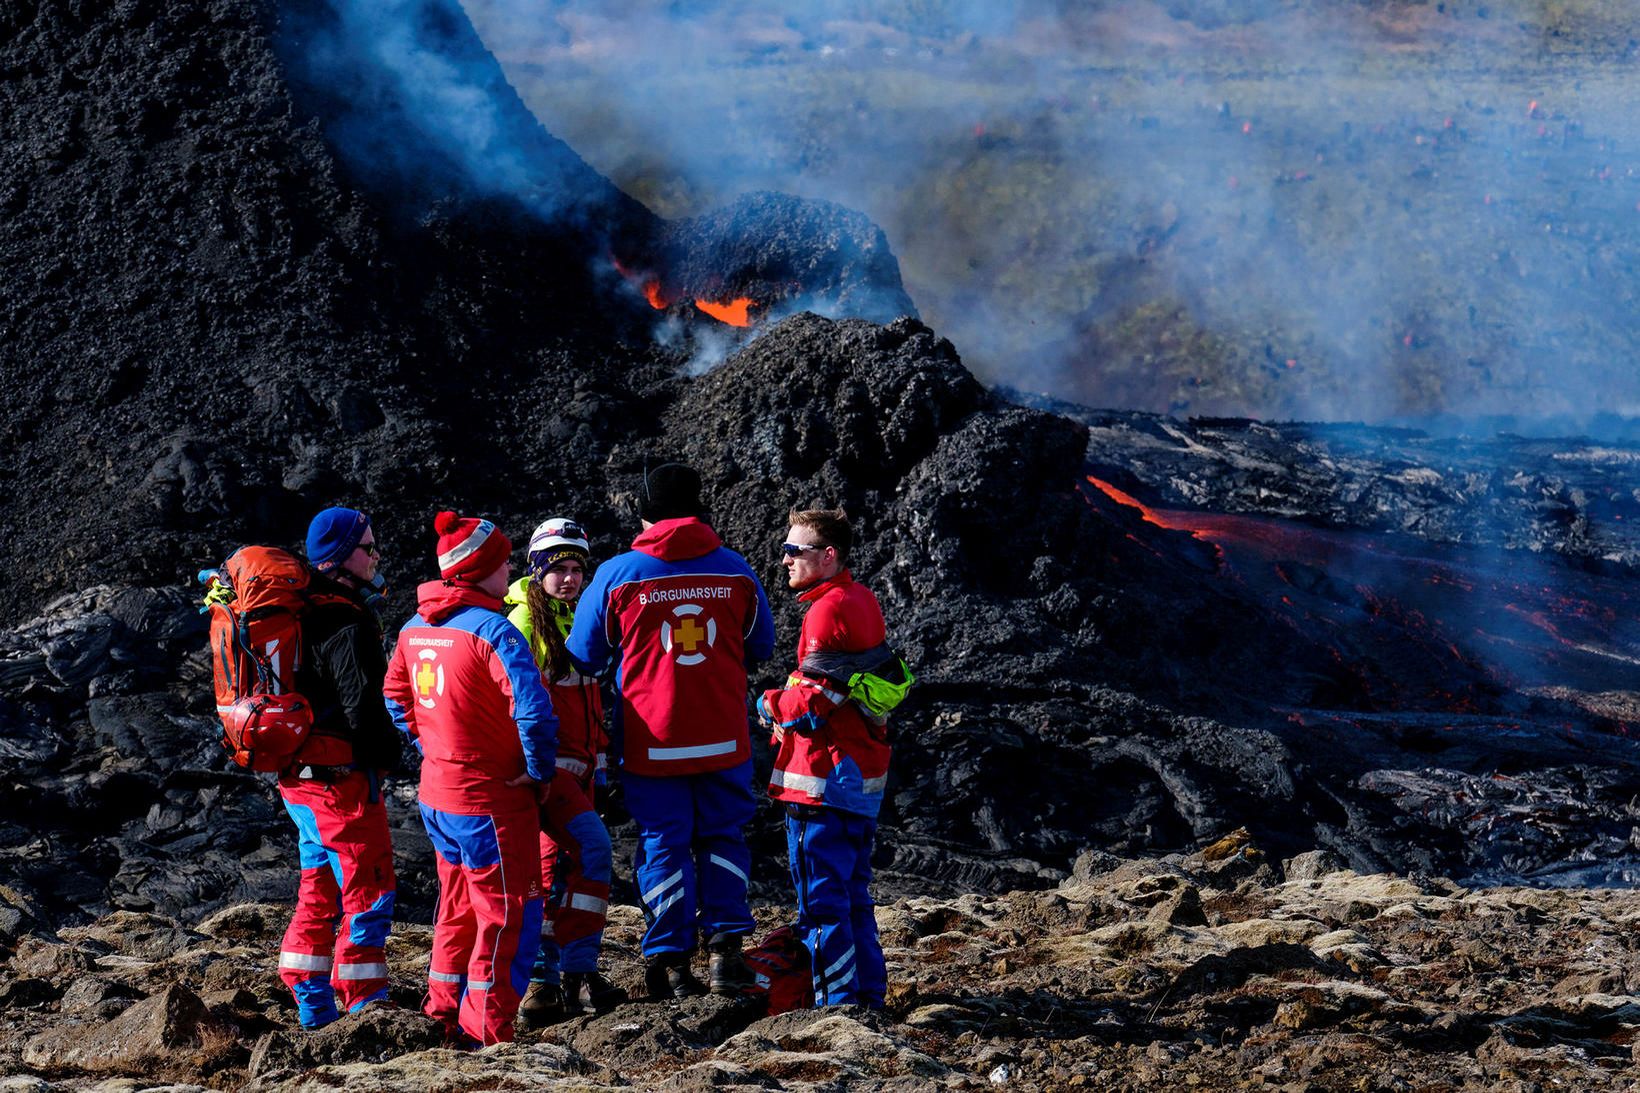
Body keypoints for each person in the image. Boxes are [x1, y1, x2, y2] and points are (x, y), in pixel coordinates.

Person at [567, 463, 776, 998]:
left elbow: (585, 656)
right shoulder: (736, 572)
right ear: (699, 509)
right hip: (724, 739)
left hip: (650, 743)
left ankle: (671, 963)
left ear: (645, 514)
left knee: (663, 844)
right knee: (724, 836)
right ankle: (727, 954)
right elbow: (761, 648)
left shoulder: (617, 576)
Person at [383, 511, 558, 1046]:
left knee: (457, 905)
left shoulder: (415, 629)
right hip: (492, 803)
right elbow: (533, 713)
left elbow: (395, 696)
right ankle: (486, 1030)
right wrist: (537, 772)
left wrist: (430, 747)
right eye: (504, 562)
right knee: (508, 915)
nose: (510, 570)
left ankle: (440, 1007)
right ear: (481, 569)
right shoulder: (493, 632)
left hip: (438, 797)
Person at [758, 508, 891, 1008]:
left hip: (821, 781)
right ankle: (868, 996)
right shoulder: (863, 600)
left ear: (828, 555)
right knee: (855, 897)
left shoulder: (827, 611)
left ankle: (837, 1005)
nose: (785, 559)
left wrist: (766, 703)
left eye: (796, 550)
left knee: (822, 902)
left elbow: (813, 703)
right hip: (859, 779)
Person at [277, 506, 401, 1029]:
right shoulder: (344, 619)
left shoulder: (299, 609)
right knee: (369, 890)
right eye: (368, 547)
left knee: (318, 888)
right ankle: (365, 1008)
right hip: (339, 784)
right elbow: (361, 706)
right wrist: (392, 757)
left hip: (297, 780)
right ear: (343, 556)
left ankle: (313, 1006)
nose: (376, 556)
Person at [505, 516, 623, 1023]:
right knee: (555, 870)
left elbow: (592, 705)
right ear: (537, 570)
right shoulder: (525, 627)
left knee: (579, 868)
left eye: (578, 568)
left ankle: (574, 971)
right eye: (559, 569)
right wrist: (536, 772)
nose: (571, 578)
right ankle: (542, 981)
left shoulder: (584, 619)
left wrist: (600, 768)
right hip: (544, 778)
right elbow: (517, 708)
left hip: (581, 775)